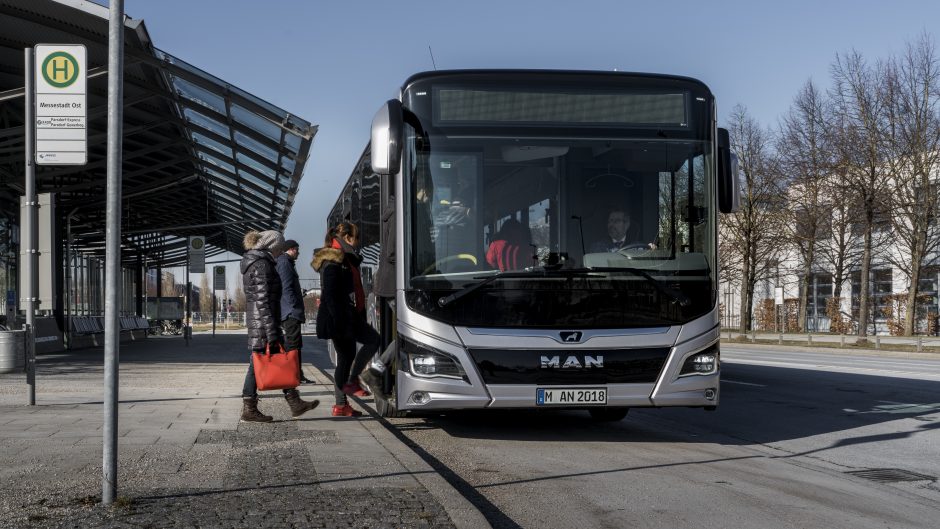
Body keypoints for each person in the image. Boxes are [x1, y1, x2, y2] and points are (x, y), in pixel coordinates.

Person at [239, 229, 319, 423]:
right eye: (279, 247)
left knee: (269, 360)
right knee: (257, 363)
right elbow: (263, 300)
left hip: (263, 321)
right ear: (272, 246)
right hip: (264, 322)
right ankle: (250, 408)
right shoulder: (261, 264)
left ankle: (294, 401)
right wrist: (271, 329)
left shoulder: (262, 261)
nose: (281, 251)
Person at [312, 222, 382, 417]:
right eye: (356, 238)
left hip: (348, 316)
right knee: (372, 340)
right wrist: (340, 322)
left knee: (345, 359)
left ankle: (341, 405)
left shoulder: (345, 258)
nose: (358, 243)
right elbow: (331, 295)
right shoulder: (333, 259)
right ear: (348, 238)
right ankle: (352, 382)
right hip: (342, 318)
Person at [275, 239, 313, 384]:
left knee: (294, 344)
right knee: (293, 345)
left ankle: (297, 374)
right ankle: (293, 375)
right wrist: (293, 306)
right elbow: (286, 287)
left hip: (289, 310)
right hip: (290, 311)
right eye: (297, 249)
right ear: (291, 249)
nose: (299, 252)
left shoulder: (286, 262)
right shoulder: (285, 263)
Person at [589, 208, 656, 253]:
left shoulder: (638, 247)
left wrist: (651, 250)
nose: (611, 224)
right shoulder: (597, 247)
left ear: (627, 224)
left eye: (616, 221)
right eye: (610, 221)